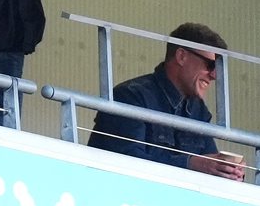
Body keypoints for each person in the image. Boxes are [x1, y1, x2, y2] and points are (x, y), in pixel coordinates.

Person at [88, 23, 245, 181]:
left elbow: (208, 163)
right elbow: (127, 162)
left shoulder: (199, 110)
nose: (214, 75)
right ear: (181, 56)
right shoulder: (131, 95)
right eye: (211, 65)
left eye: (219, 68)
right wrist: (191, 164)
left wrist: (228, 171)